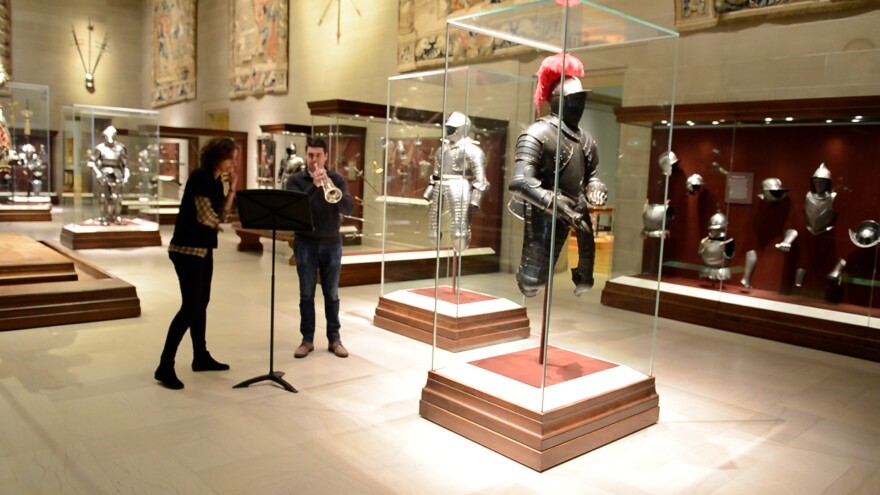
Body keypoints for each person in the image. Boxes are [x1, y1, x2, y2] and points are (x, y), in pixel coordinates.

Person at [507, 53, 608, 297]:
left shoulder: (586, 139)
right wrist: (555, 204)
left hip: (576, 207)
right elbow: (520, 181)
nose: (579, 105)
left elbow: (591, 175)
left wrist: (596, 187)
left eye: (581, 100)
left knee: (586, 277)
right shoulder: (537, 133)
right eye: (574, 100)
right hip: (544, 207)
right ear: (558, 101)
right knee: (532, 282)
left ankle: (582, 277)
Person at [154, 137, 239, 390]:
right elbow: (205, 216)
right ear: (217, 156)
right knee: (190, 307)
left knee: (201, 304)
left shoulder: (216, 181)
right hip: (187, 250)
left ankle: (200, 356)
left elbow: (222, 214)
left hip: (203, 249)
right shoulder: (200, 176)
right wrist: (217, 222)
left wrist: (232, 189)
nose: (233, 163)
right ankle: (165, 365)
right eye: (230, 158)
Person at [285, 137, 354, 358]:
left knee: (332, 295)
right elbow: (294, 208)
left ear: (326, 157)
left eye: (318, 155)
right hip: (305, 242)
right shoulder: (295, 180)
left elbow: (348, 208)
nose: (314, 160)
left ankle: (335, 339)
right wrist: (314, 187)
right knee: (306, 294)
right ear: (306, 155)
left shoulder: (337, 179)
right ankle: (307, 340)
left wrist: (331, 187)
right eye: (310, 155)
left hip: (332, 243)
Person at [423, 111, 489, 253]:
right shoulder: (442, 150)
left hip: (460, 186)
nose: (448, 130)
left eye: (452, 128)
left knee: (460, 226)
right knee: (434, 227)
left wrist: (475, 200)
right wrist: (428, 192)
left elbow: (481, 180)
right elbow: (436, 175)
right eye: (448, 127)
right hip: (440, 186)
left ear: (462, 129)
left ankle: (460, 248)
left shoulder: (473, 150)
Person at [87, 125, 130, 226]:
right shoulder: (100, 148)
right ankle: (104, 217)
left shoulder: (120, 148)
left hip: (117, 173)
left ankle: (116, 216)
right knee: (103, 197)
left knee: (117, 197)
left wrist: (126, 176)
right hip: (103, 173)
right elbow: (91, 162)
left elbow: (125, 164)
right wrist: (98, 173)